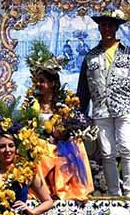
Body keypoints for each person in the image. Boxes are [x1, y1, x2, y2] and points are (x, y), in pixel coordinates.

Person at [77, 8, 130, 197]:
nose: (106, 28)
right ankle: (114, 192)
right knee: (107, 153)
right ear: (99, 28)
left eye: (110, 25)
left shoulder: (129, 54)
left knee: (127, 147)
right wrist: (82, 114)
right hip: (101, 110)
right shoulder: (90, 56)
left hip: (124, 108)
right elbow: (83, 88)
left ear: (116, 28)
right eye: (103, 25)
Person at [28, 44, 94, 201]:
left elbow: (67, 129)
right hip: (39, 145)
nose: (39, 85)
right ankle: (41, 191)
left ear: (52, 83)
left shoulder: (62, 106)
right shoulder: (32, 105)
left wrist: (60, 133)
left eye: (42, 81)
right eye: (37, 81)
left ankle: (64, 188)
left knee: (74, 145)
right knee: (39, 150)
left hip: (59, 146)